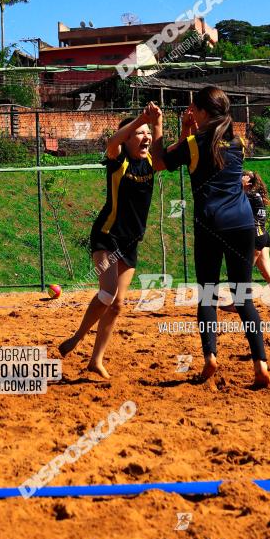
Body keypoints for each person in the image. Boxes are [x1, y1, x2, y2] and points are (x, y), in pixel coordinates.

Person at [152, 86, 270, 387]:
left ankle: (211, 358)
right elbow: (201, 152)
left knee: (208, 294)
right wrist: (188, 131)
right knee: (243, 298)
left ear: (203, 111)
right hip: (242, 222)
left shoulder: (195, 142)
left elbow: (159, 162)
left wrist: (158, 127)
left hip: (210, 222)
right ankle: (260, 366)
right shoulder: (238, 141)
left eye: (195, 108)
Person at [59, 103, 162, 378]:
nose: (145, 137)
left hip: (130, 243)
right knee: (107, 293)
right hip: (107, 236)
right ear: (128, 138)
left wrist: (158, 122)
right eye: (139, 133)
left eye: (147, 133)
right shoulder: (119, 160)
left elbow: (162, 150)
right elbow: (112, 141)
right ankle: (77, 338)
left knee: (117, 304)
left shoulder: (151, 162)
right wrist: (142, 117)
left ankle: (96, 360)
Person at [242, 170, 270, 308]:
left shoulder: (249, 195)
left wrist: (241, 186)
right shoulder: (256, 194)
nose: (239, 179)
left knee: (244, 272)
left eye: (242, 177)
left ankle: (238, 304)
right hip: (263, 236)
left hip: (256, 236)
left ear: (248, 182)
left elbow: (232, 199)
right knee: (267, 272)